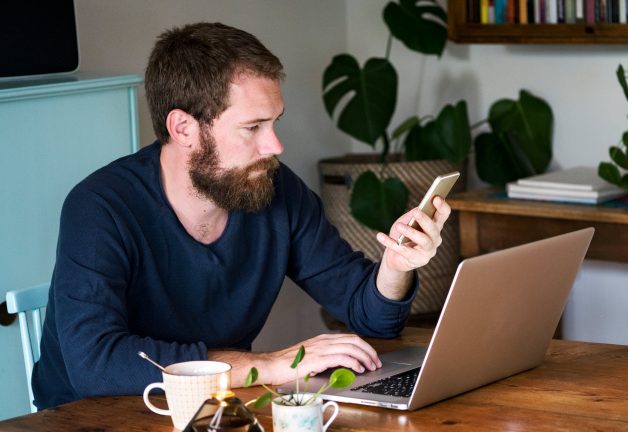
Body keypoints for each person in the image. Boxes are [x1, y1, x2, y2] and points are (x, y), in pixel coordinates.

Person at [31, 22, 451, 409]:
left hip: (216, 406)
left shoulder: (275, 189)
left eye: (274, 123)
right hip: (94, 415)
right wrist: (267, 365)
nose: (275, 146)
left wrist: (396, 266)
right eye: (253, 127)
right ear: (184, 129)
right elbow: (95, 365)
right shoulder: (100, 207)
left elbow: (372, 317)